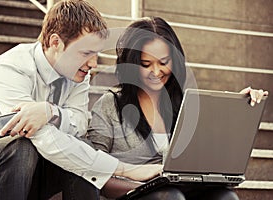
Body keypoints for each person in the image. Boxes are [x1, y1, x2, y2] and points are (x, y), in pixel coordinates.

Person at [0, 1, 162, 199]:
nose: (93, 64)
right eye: (86, 53)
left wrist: (50, 112)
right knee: (21, 147)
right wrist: (125, 170)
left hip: (27, 169)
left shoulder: (77, 73)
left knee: (78, 152)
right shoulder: (9, 70)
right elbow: (44, 139)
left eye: (96, 54)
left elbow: (79, 124)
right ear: (56, 43)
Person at [87, 16, 268, 200]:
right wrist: (148, 186)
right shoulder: (109, 105)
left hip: (181, 192)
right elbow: (94, 175)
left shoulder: (185, 104)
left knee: (225, 196)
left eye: (163, 62)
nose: (156, 72)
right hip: (131, 195)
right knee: (170, 196)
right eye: (146, 64)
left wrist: (241, 106)